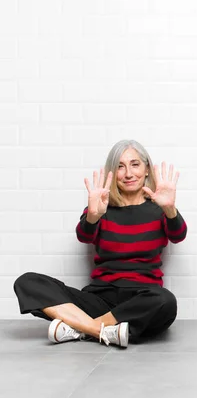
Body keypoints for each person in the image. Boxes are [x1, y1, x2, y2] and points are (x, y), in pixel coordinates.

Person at [13, 139, 187, 348]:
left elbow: (178, 235)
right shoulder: (102, 205)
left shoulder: (159, 208)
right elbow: (83, 236)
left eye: (135, 164)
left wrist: (170, 209)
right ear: (112, 173)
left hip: (142, 298)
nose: (128, 173)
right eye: (120, 167)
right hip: (99, 298)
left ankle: (79, 329)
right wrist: (93, 216)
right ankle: (102, 330)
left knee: (166, 302)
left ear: (147, 169)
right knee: (27, 282)